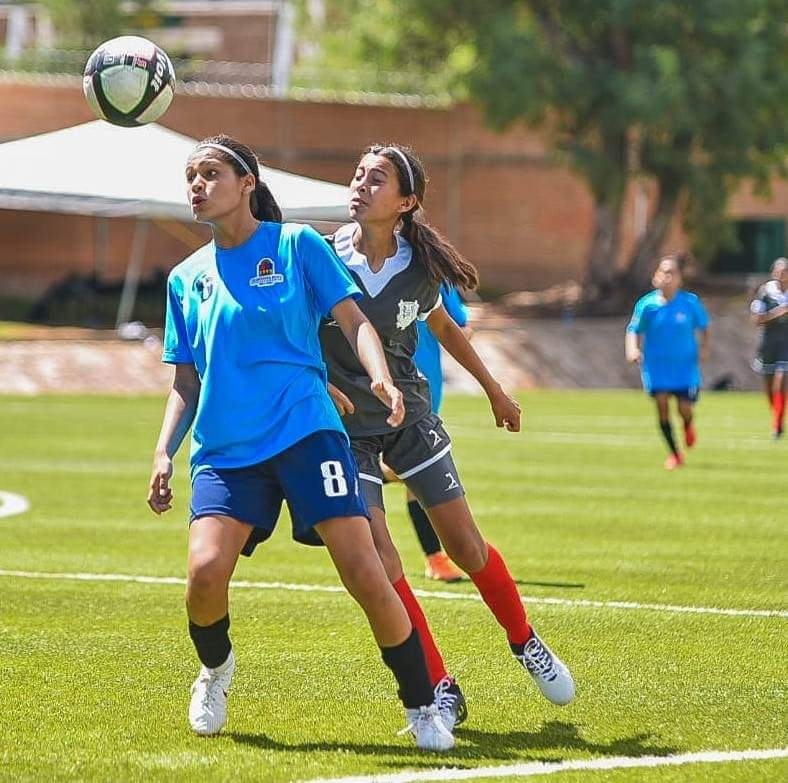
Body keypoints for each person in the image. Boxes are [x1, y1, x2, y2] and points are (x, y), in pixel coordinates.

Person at [146, 134, 453, 751]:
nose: (197, 186)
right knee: (205, 574)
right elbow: (185, 380)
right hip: (228, 450)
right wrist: (163, 452)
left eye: (211, 173)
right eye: (191, 176)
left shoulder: (297, 246)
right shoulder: (185, 279)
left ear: (247, 183)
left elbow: (354, 320)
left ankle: (423, 705)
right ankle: (215, 669)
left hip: (307, 434)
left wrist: (380, 374)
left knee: (364, 571)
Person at [320, 143, 576, 728]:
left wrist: (494, 390)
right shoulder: (321, 256)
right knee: (383, 562)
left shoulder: (420, 267)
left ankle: (525, 640)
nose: (359, 184)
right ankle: (438, 682)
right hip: (345, 432)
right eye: (357, 174)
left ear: (407, 202)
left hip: (409, 418)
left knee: (466, 548)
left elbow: (446, 328)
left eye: (376, 179)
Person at [404, 282, 469, 583]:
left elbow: (458, 324)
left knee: (413, 472)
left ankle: (435, 558)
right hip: (381, 385)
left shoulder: (434, 276)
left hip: (427, 387)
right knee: (412, 467)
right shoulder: (360, 263)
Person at [625, 253, 710, 469]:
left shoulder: (689, 303)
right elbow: (634, 329)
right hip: (656, 367)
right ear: (656, 276)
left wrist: (704, 348)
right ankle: (675, 454)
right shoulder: (647, 305)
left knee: (684, 408)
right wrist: (632, 349)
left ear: (680, 278)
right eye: (663, 272)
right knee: (662, 405)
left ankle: (688, 425)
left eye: (672, 273)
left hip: (684, 367)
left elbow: (704, 327)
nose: (667, 277)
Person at [750, 257, 788, 439]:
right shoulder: (765, 292)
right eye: (779, 271)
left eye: (786, 271)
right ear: (774, 273)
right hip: (768, 345)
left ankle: (778, 424)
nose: (783, 275)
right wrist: (780, 312)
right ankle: (777, 416)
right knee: (768, 387)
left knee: (781, 380)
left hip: (786, 345)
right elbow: (757, 320)